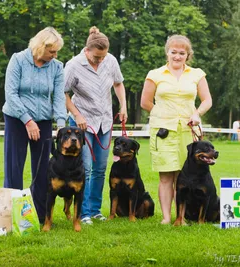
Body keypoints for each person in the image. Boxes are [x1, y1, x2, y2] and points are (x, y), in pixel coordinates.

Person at [140, 35, 212, 224]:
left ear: (188, 55)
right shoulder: (155, 74)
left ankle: (183, 216)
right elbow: (145, 102)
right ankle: (166, 217)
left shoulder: (197, 74)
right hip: (163, 131)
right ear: (167, 52)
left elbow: (207, 100)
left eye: (182, 53)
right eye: (174, 52)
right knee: (166, 176)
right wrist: (162, 114)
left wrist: (197, 113)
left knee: (185, 176)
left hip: (188, 132)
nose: (177, 56)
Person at [2, 27, 66, 224]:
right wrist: (27, 120)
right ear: (40, 47)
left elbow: (58, 98)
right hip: (16, 120)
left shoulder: (56, 67)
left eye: (56, 52)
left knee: (41, 171)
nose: (55, 55)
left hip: (44, 121)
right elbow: (10, 94)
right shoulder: (18, 60)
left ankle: (38, 216)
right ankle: (12, 217)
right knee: (14, 168)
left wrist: (61, 125)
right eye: (52, 51)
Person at [64, 26, 128, 225]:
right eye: (96, 57)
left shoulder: (111, 61)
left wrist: (123, 105)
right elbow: (62, 94)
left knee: (100, 168)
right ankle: (82, 213)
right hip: (82, 124)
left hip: (105, 122)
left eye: (103, 56)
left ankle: (95, 210)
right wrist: (76, 114)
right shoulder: (74, 65)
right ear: (87, 50)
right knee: (86, 168)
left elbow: (118, 83)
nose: (100, 60)